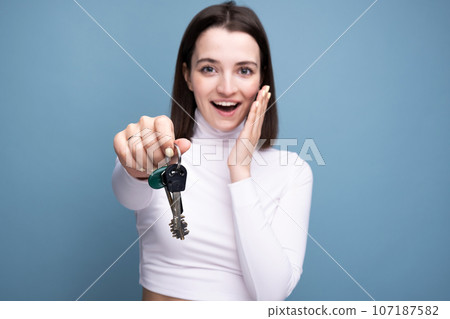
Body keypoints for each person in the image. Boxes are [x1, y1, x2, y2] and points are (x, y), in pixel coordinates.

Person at [112, 1, 313, 301]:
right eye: (209, 69)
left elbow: (271, 295)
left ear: (262, 79)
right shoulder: (159, 148)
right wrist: (135, 169)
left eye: (244, 70)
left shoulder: (293, 171)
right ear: (187, 75)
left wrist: (240, 170)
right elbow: (127, 192)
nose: (227, 88)